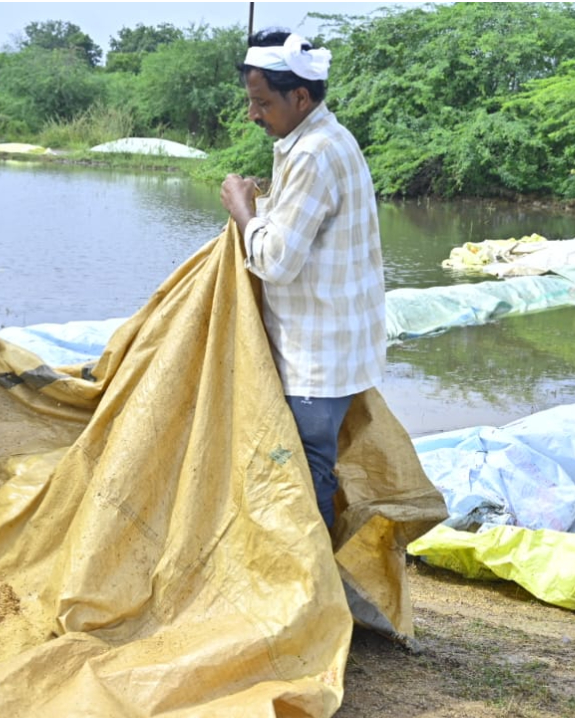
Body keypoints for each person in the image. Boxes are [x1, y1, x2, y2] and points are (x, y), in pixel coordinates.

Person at [219, 29, 386, 530]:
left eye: (261, 103)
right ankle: (313, 584)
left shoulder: (314, 153)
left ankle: (312, 592)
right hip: (332, 346)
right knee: (304, 468)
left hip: (315, 356)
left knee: (302, 473)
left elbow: (275, 260)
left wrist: (243, 209)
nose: (253, 114)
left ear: (299, 96)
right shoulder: (321, 140)